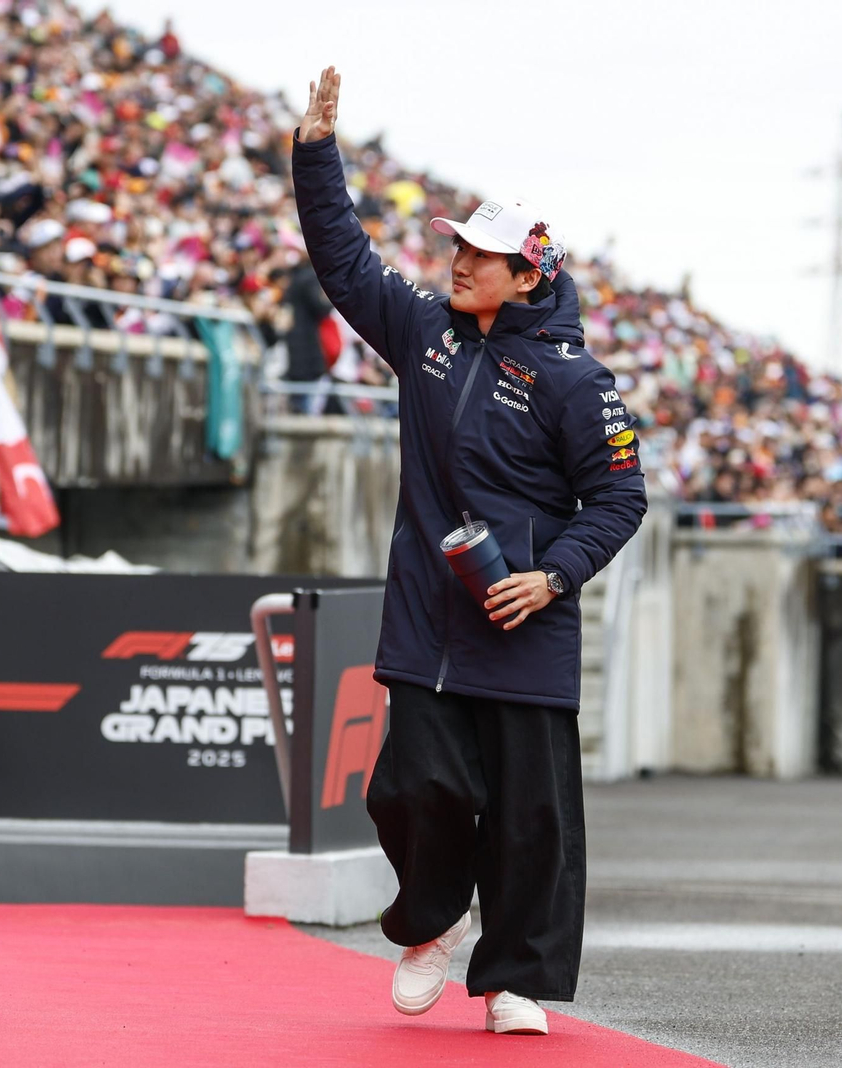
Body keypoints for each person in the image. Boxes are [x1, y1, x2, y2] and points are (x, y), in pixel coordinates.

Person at [292, 67, 647, 1036]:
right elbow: (345, 264)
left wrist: (553, 574)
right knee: (413, 789)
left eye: (482, 255)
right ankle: (431, 924)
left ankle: (516, 983)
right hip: (429, 620)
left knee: (534, 823)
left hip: (524, 628)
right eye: (459, 246)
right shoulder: (427, 334)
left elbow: (620, 498)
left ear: (529, 275)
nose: (459, 262)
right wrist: (315, 158)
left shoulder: (579, 381)